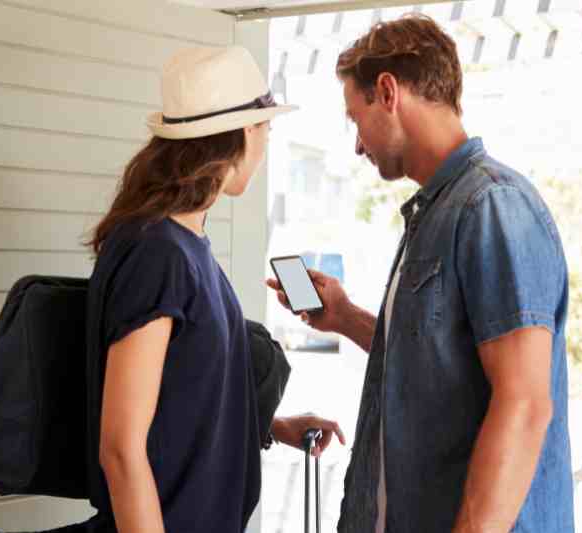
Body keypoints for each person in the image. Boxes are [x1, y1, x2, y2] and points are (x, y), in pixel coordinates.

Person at [268, 15, 574, 533]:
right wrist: (344, 317)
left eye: (356, 118)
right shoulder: (435, 212)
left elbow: (524, 405)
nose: (357, 145)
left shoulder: (492, 206)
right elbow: (436, 362)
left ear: (388, 92)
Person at [86, 46, 345, 533]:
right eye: (266, 129)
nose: (265, 145)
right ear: (245, 132)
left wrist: (269, 426)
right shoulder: (157, 253)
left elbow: (182, 397)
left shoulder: (186, 244)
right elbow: (121, 449)